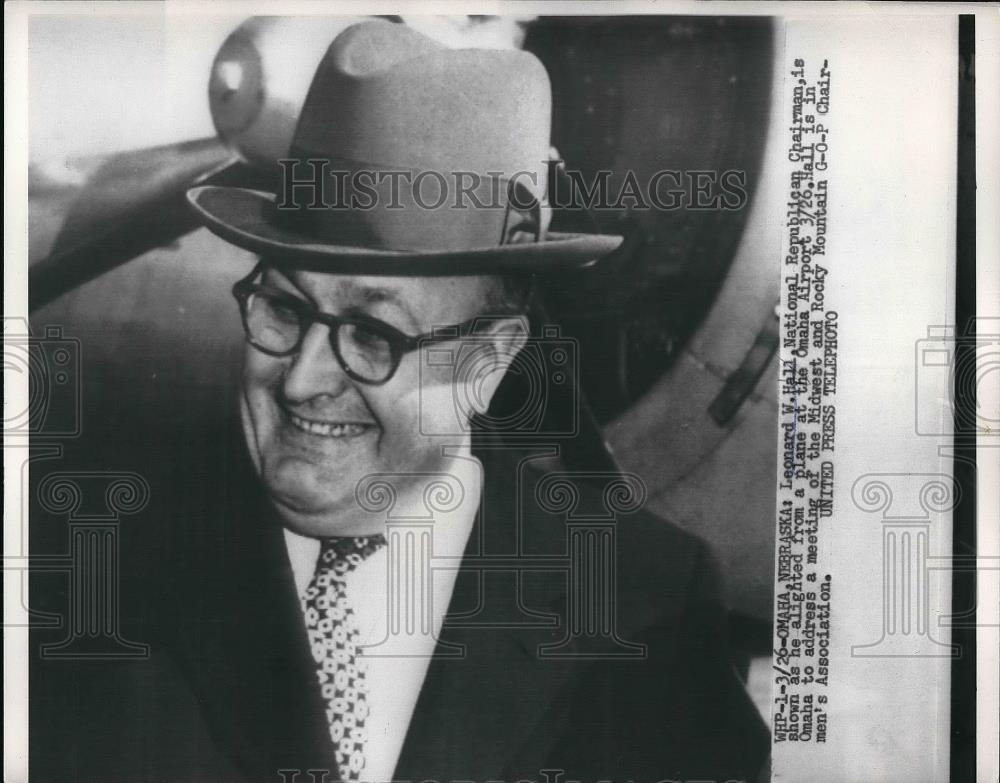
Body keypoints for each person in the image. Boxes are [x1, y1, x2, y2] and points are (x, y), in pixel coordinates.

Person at [31, 19, 768, 783]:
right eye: (283, 310)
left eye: (372, 332)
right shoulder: (89, 574)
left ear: (490, 359)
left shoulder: (647, 608)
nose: (301, 377)